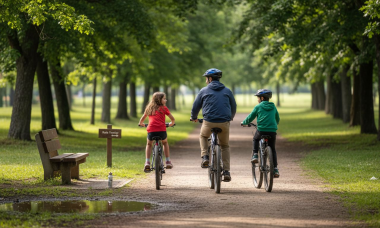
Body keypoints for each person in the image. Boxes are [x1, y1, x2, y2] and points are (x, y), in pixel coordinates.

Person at [190, 68, 237, 182]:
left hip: (209, 122)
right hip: (224, 122)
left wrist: (194, 117)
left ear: (210, 79)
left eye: (206, 78)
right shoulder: (227, 91)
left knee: (203, 136)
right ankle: (226, 171)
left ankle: (205, 156)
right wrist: (230, 117)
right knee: (224, 146)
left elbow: (196, 106)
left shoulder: (203, 91)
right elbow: (233, 106)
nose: (206, 81)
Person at [241, 89, 280, 178]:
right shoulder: (273, 107)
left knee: (255, 138)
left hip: (261, 130)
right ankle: (275, 169)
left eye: (258, 98)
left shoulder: (258, 107)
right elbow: (277, 118)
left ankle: (255, 155)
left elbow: (250, 117)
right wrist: (274, 125)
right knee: (273, 149)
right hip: (272, 131)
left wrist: (244, 122)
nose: (257, 99)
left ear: (262, 98)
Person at [139, 92, 175, 171]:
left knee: (149, 144)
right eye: (164, 99)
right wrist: (170, 124)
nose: (166, 100)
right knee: (165, 143)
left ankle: (147, 162)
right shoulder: (164, 108)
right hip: (162, 130)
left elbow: (141, 121)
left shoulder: (149, 108)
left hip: (151, 130)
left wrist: (142, 124)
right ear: (159, 100)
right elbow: (172, 119)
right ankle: (168, 161)